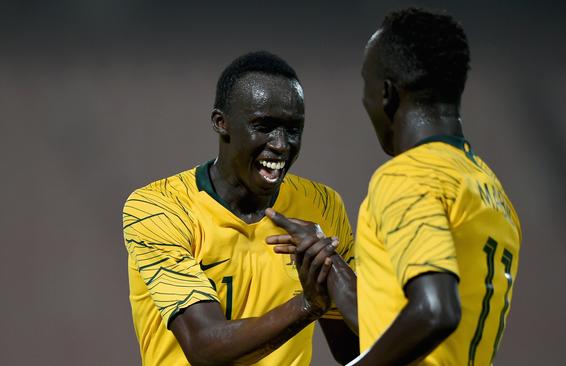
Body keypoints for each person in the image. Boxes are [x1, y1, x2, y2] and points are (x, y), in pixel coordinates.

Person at [266, 8, 522, 365]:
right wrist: (329, 262)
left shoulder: (407, 177)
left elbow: (435, 312)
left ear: (386, 93)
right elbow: (394, 329)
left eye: (365, 84)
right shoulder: (488, 190)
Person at [122, 51, 358, 366]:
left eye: (293, 129)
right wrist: (307, 305)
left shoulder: (322, 206)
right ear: (222, 123)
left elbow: (353, 351)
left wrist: (334, 269)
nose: (281, 144)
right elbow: (204, 347)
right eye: (264, 126)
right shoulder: (158, 208)